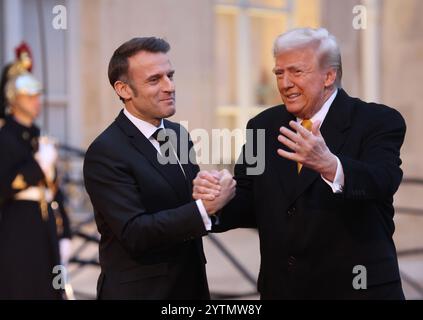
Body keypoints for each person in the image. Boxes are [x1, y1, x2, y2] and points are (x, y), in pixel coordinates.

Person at [193, 27, 407, 299]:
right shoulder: (263, 126)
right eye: (279, 73)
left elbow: (382, 181)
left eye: (296, 72)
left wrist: (329, 164)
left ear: (329, 76)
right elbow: (249, 201)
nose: (285, 83)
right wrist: (217, 199)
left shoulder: (377, 120)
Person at [83, 37, 235, 300]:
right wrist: (203, 208)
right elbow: (135, 233)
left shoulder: (177, 134)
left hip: (191, 288)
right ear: (124, 90)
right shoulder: (105, 151)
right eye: (155, 80)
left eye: (170, 75)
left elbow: (182, 202)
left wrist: (209, 189)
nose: (170, 86)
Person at [0, 43, 72, 299]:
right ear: (12, 97)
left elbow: (54, 188)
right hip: (17, 230)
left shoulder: (38, 136)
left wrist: (66, 234)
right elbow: (4, 185)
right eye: (29, 95)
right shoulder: (4, 135)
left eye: (37, 94)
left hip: (47, 229)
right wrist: (37, 166)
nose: (36, 100)